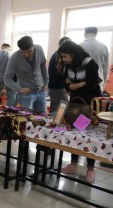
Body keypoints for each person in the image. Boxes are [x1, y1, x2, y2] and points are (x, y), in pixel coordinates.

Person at [58, 40, 101, 183]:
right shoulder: (70, 65)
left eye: (65, 56)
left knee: (87, 137)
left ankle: (90, 169)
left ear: (73, 53)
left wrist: (74, 85)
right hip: (74, 104)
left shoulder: (90, 63)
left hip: (87, 106)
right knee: (74, 134)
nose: (64, 60)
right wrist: (79, 84)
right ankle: (73, 164)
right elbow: (66, 84)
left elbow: (91, 85)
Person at [3, 36, 48, 113]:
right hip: (26, 95)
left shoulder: (39, 49)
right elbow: (6, 78)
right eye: (23, 52)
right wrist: (20, 89)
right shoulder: (14, 58)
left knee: (43, 118)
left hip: (41, 92)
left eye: (29, 51)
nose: (26, 55)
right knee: (27, 119)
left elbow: (43, 65)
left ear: (33, 46)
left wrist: (46, 82)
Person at [79, 26, 109, 91]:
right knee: (95, 101)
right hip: (98, 81)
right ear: (96, 34)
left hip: (82, 81)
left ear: (85, 34)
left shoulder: (78, 46)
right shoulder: (103, 47)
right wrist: (103, 84)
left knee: (81, 100)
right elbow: (105, 69)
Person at [48, 37, 70, 113]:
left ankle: (55, 123)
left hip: (56, 87)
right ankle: (56, 124)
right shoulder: (58, 56)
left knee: (59, 108)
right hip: (57, 88)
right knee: (60, 110)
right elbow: (60, 73)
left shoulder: (56, 55)